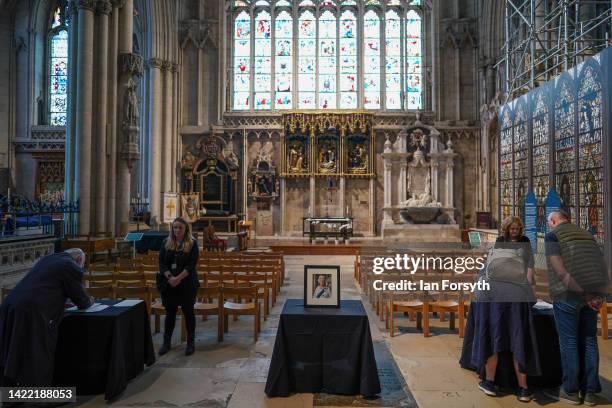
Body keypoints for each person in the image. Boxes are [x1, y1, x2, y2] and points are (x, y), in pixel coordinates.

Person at [468, 216, 539, 402]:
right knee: (518, 339)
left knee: (494, 337)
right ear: (507, 228)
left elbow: (490, 268)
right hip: (515, 291)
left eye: (517, 228)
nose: (514, 231)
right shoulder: (509, 241)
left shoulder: (517, 241)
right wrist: (528, 285)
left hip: (498, 294)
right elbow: (529, 266)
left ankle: (491, 382)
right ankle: (522, 388)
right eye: (512, 228)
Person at [543, 211, 609, 406]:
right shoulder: (588, 235)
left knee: (569, 342)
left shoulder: (552, 236)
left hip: (569, 296)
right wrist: (599, 295)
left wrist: (584, 295)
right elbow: (603, 265)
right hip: (593, 293)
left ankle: (570, 390)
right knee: (589, 341)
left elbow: (560, 271)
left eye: (549, 224)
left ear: (553, 221)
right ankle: (590, 392)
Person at [0, 249, 93, 386]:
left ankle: (10, 396)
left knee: (11, 353)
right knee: (38, 354)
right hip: (33, 311)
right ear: (79, 260)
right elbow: (82, 302)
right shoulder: (70, 265)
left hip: (10, 305)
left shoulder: (48, 260)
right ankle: (39, 398)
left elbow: (46, 287)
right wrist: (90, 300)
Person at [158, 217, 200, 356]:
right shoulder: (166, 242)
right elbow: (162, 263)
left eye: (180, 228)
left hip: (187, 283)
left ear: (185, 229)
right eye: (175, 227)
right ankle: (166, 342)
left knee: (188, 313)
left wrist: (178, 278)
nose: (177, 230)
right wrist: (170, 277)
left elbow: (192, 264)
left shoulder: (192, 243)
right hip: (170, 284)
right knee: (170, 313)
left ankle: (190, 343)